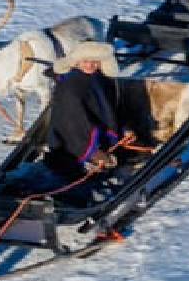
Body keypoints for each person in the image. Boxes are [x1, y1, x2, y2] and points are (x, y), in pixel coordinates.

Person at [40, 40, 127, 183]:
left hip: (97, 138)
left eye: (95, 61)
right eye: (85, 61)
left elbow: (105, 109)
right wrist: (93, 152)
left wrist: (122, 128)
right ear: (76, 62)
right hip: (73, 146)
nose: (90, 65)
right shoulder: (71, 85)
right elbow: (73, 122)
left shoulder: (97, 79)